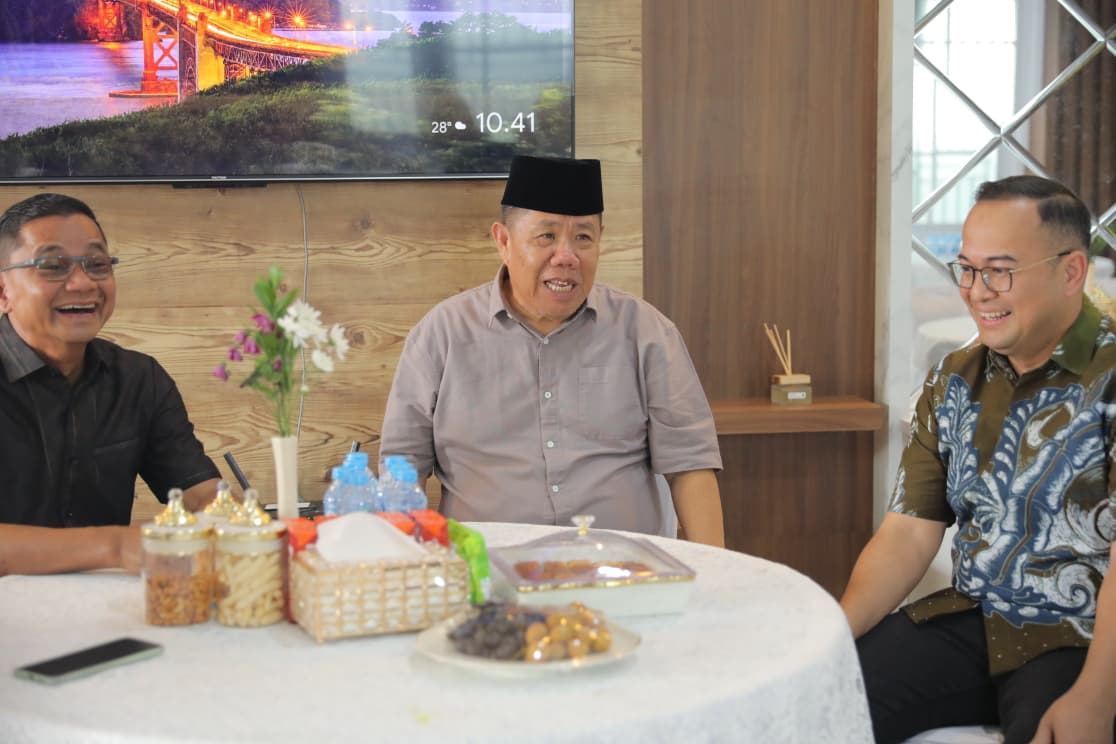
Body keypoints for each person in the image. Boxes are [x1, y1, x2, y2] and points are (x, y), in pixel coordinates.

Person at [840, 175, 1115, 744]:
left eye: (999, 271)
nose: (976, 291)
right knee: (821, 698)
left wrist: (1096, 697)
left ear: (1071, 271)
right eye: (966, 269)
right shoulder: (953, 377)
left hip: (1081, 638)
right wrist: (834, 638)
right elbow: (907, 532)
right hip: (972, 619)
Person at [381, 155, 725, 545]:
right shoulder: (441, 335)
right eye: (546, 236)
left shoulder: (646, 332)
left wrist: (714, 567)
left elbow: (690, 463)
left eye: (583, 238)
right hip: (484, 568)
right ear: (504, 241)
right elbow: (401, 466)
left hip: (621, 567)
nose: (566, 257)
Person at [0, 194, 220, 576]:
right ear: (3, 291)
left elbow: (198, 492)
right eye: (53, 266)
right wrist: (116, 546)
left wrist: (236, 520)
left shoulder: (140, 379)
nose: (83, 282)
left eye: (97, 264)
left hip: (108, 602)